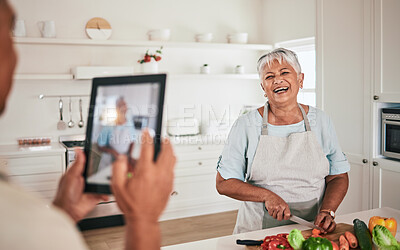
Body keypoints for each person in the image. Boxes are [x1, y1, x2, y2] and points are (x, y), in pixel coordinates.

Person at [0, 1, 176, 249]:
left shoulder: (32, 224)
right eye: (8, 34)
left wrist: (64, 212)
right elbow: (101, 146)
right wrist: (143, 221)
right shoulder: (23, 225)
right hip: (110, 165)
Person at [216, 48, 349, 234]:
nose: (277, 80)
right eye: (269, 77)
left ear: (300, 79)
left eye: (284, 72)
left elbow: (338, 176)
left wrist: (328, 210)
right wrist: (267, 196)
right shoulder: (246, 125)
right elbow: (224, 183)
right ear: (263, 88)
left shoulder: (321, 120)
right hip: (257, 230)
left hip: (312, 229)